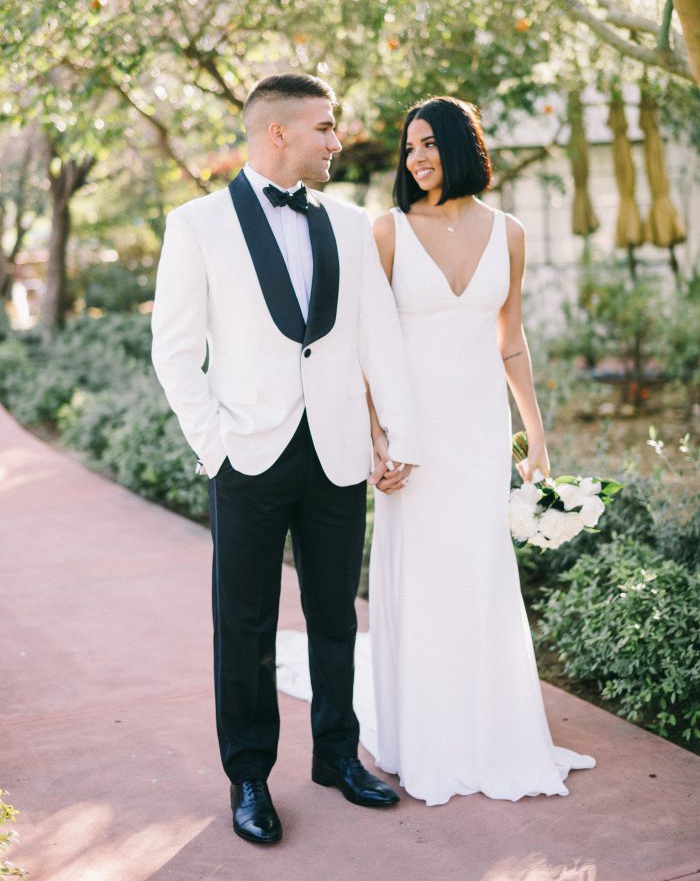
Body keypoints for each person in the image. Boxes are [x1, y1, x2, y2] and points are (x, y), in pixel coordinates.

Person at [151, 73, 420, 845]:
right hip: (248, 455)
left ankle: (338, 756)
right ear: (279, 133)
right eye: (326, 128)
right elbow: (174, 352)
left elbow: (378, 338)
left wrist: (396, 436)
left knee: (337, 617)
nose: (338, 141)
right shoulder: (196, 224)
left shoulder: (348, 223)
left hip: (337, 455)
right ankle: (248, 778)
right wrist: (217, 449)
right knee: (244, 622)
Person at [368, 96, 595, 806]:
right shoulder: (388, 233)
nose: (418, 158)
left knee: (484, 576)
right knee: (426, 581)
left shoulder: (511, 234)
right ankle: (425, 736)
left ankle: (494, 731)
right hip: (415, 437)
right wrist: (378, 440)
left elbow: (511, 341)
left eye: (430, 143)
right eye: (410, 148)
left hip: (479, 432)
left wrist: (537, 439)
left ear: (464, 146)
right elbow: (366, 349)